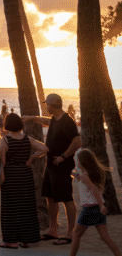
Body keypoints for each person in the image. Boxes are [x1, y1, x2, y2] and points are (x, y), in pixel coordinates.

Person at [57, 149, 122, 256]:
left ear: (83, 162)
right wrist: (77, 176)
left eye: (78, 161)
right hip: (96, 208)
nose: (77, 163)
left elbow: (94, 190)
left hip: (90, 209)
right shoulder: (89, 174)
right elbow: (88, 187)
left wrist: (102, 205)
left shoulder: (86, 176)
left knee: (76, 234)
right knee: (105, 237)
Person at [36, 93, 82, 244]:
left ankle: (70, 233)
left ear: (52, 105)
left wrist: (63, 156)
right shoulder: (56, 119)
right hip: (50, 165)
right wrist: (31, 117)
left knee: (66, 198)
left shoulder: (67, 121)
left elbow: (77, 141)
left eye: (47, 105)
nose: (46, 107)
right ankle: (53, 230)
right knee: (50, 197)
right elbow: (47, 121)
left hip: (61, 166)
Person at [0, 112, 48, 248]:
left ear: (7, 125)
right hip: (25, 175)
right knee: (26, 207)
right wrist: (32, 157)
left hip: (11, 176)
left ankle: (11, 241)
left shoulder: (5, 140)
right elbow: (44, 148)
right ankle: (26, 239)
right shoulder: (27, 139)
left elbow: (1, 162)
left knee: (11, 208)